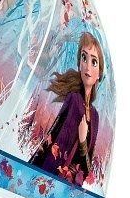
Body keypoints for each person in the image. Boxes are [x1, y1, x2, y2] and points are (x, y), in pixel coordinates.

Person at [29, 32, 104, 186]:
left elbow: (87, 167)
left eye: (94, 61)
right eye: (84, 58)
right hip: (53, 176)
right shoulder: (74, 100)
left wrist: (83, 140)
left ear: (99, 73)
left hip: (71, 186)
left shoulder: (95, 116)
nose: (87, 66)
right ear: (79, 64)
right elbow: (55, 139)